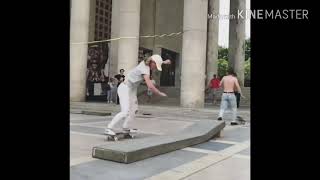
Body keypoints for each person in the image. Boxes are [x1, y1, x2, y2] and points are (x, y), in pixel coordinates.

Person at [105, 55, 171, 135]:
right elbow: (150, 86)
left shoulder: (147, 64)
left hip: (132, 90)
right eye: (156, 66)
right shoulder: (145, 69)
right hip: (125, 88)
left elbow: (154, 60)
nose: (156, 68)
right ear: (152, 63)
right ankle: (109, 128)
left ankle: (125, 127)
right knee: (125, 111)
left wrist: (164, 62)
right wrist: (159, 93)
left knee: (134, 110)